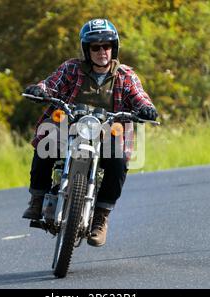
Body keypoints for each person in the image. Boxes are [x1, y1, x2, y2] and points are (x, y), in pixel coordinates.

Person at [22, 19, 158, 247]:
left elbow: (139, 96)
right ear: (87, 49)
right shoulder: (72, 68)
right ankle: (37, 199)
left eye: (106, 46)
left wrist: (147, 108)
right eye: (95, 47)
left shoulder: (125, 75)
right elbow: (51, 84)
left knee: (118, 163)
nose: (102, 51)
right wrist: (40, 89)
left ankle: (100, 219)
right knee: (45, 145)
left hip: (106, 132)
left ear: (114, 48)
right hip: (70, 126)